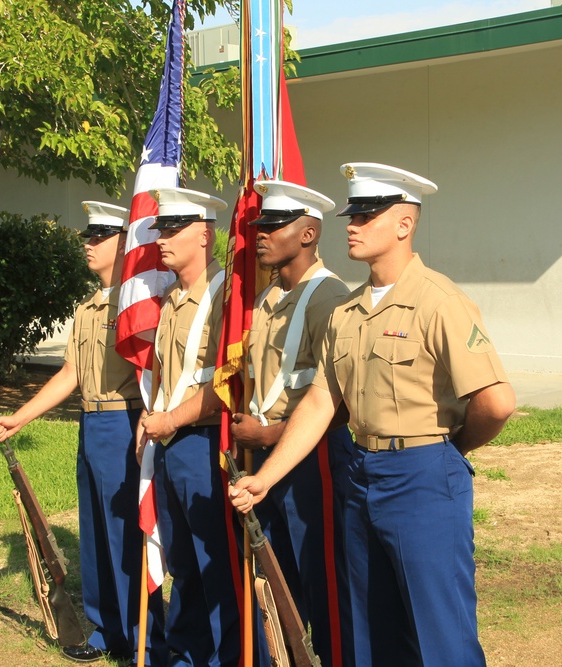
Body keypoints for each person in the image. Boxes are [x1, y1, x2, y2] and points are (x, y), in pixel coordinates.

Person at [229, 163, 517, 667]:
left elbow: (496, 402)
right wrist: (266, 479)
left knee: (439, 633)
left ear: (405, 224)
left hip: (423, 476)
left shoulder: (438, 301)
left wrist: (448, 451)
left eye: (367, 215)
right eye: (351, 215)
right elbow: (322, 401)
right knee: (368, 627)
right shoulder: (348, 311)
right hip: (361, 476)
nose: (352, 225)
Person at [0, 202, 165, 666]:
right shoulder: (87, 306)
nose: (87, 244)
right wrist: (20, 418)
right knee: (95, 531)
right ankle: (107, 631)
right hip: (91, 422)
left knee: (126, 532)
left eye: (98, 236)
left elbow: (156, 372)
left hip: (124, 421)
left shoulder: (139, 303)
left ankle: (141, 636)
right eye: (88, 236)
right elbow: (70, 373)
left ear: (123, 244)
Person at [230, 180, 353, 667]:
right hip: (263, 456)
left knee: (317, 576)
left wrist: (268, 436)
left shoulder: (330, 299)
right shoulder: (266, 300)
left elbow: (337, 403)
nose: (261, 235)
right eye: (260, 225)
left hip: (310, 460)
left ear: (308, 234)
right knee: (271, 574)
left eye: (275, 226)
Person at [135, 187, 248, 667]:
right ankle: (187, 654)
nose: (162, 238)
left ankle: (225, 657)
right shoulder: (172, 299)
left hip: (205, 443)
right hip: (169, 445)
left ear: (204, 235)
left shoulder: (226, 296)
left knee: (214, 562)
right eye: (161, 228)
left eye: (174, 228)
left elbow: (228, 384)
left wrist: (168, 419)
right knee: (182, 560)